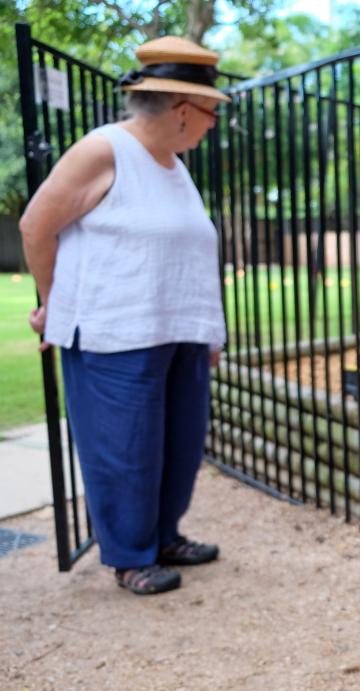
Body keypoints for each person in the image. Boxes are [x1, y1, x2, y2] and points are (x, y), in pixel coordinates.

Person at [21, 36, 228, 595]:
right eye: (212, 112)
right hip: (116, 332)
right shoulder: (103, 149)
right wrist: (53, 302)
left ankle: (163, 535)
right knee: (126, 449)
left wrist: (207, 327)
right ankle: (131, 555)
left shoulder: (174, 166)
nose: (214, 124)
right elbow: (35, 227)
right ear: (184, 112)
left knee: (178, 443)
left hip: (177, 330)